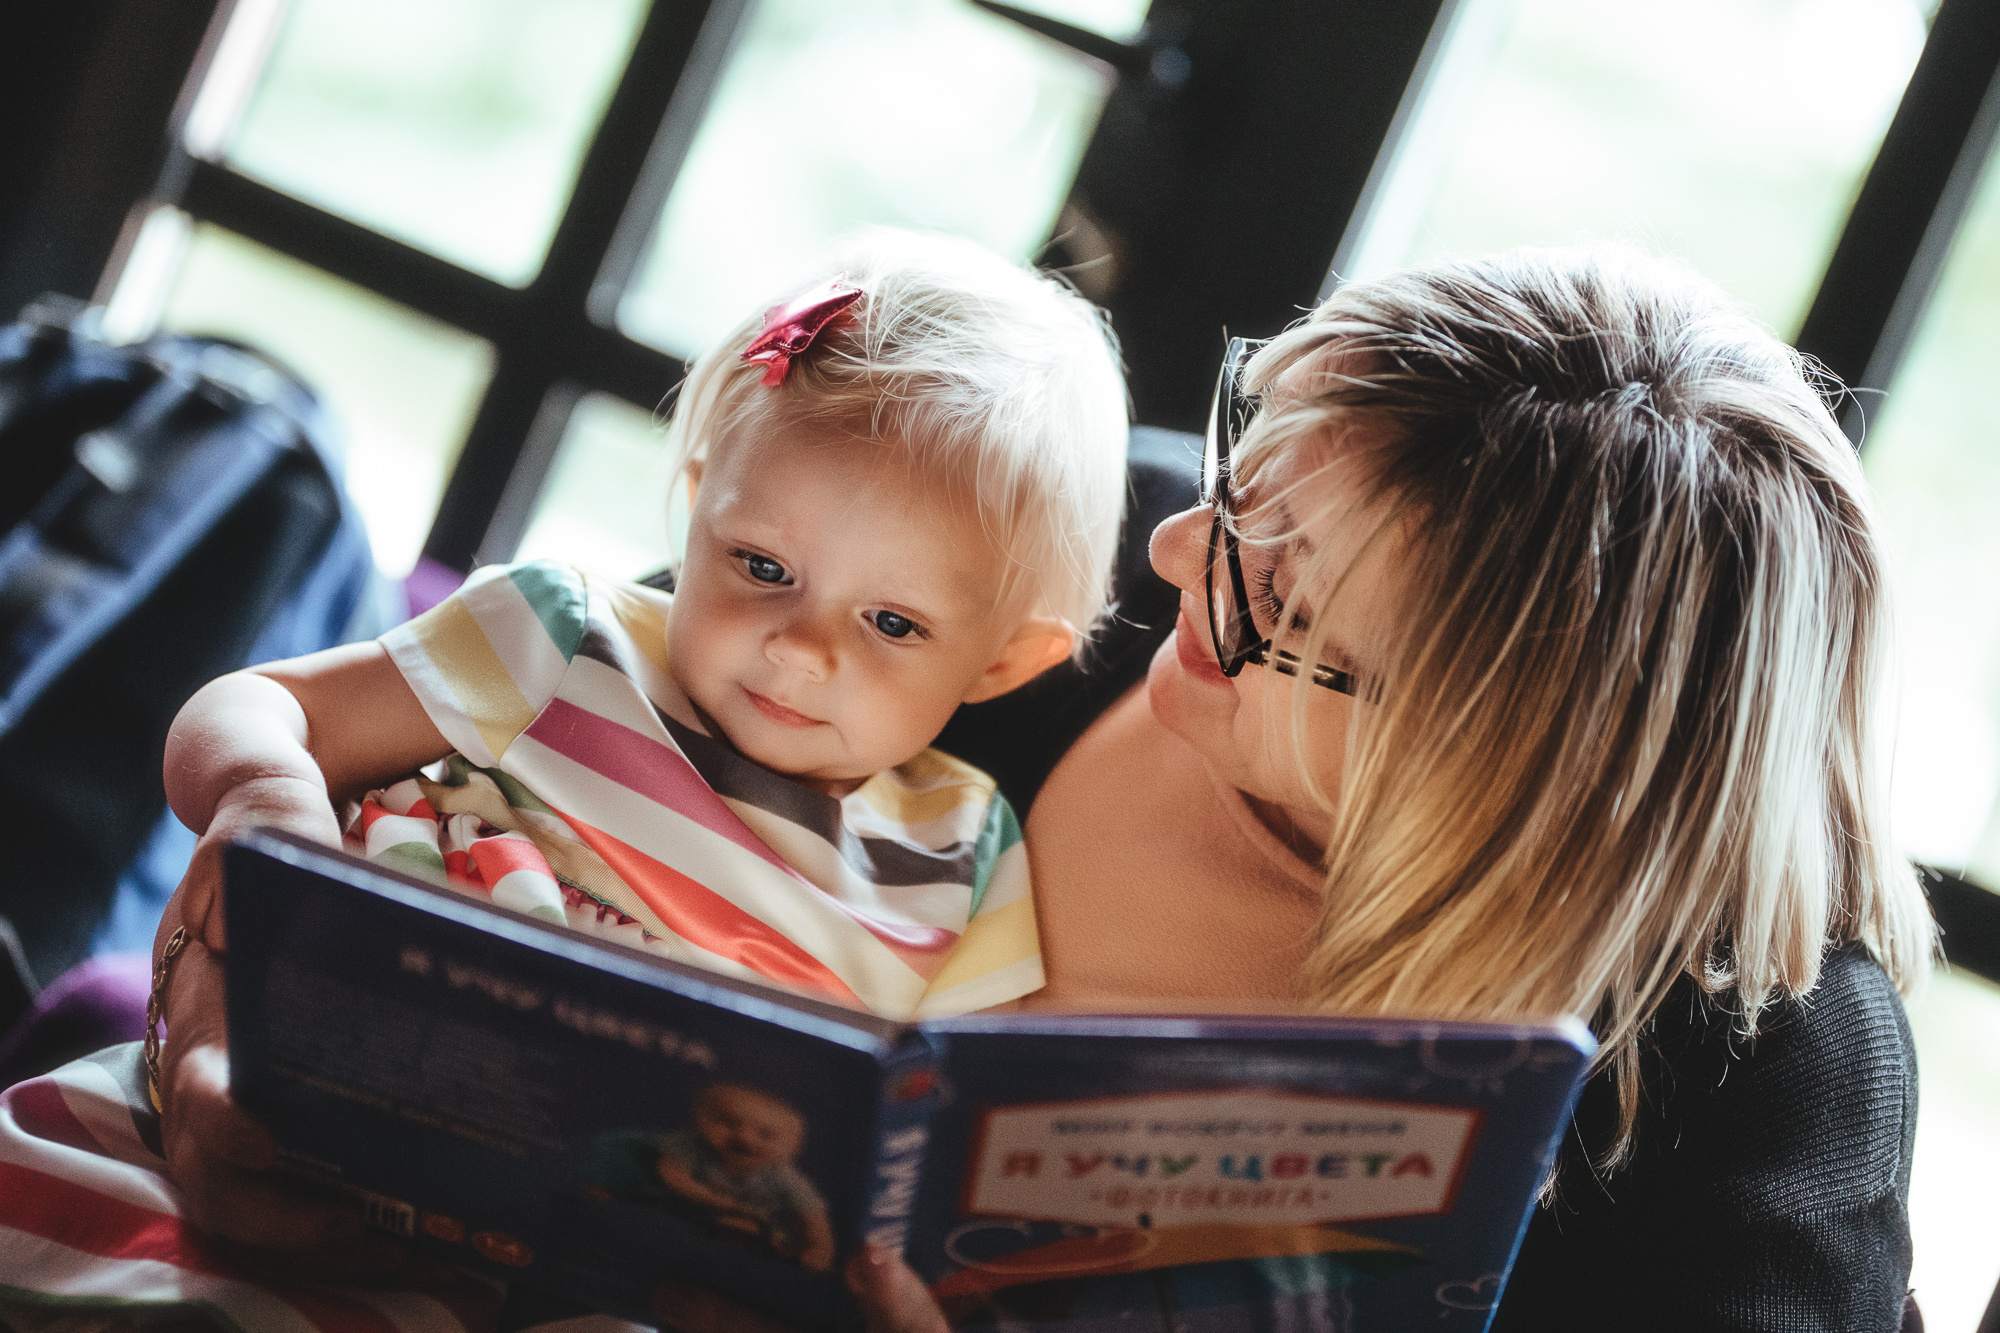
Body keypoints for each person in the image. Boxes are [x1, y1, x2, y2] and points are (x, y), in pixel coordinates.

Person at [0, 245, 1924, 1333]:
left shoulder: (1760, 1071)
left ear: (1499, 761)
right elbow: (513, 768)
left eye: (1276, 593)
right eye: (1246, 490)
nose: (1177, 561)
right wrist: (227, 1034)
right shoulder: (1060, 579)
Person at [161, 228, 1128, 1029]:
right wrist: (262, 794)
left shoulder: (965, 856)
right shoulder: (566, 639)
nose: (799, 646)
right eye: (763, 567)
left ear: (1003, 660)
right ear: (700, 506)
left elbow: (972, 1106)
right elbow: (266, 706)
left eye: (890, 621)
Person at [584, 1083, 835, 1273]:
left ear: (790, 1149)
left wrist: (819, 1247)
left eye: (765, 1135)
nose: (744, 1138)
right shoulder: (692, 1145)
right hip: (673, 1208)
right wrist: (727, 1204)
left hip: (734, 1229)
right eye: (729, 1123)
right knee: (630, 1182)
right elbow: (671, 1176)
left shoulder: (783, 1177)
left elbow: (812, 1213)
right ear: (702, 1121)